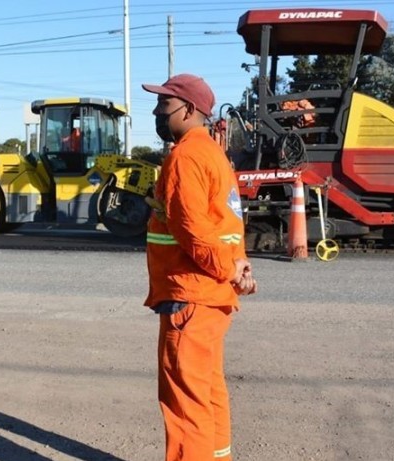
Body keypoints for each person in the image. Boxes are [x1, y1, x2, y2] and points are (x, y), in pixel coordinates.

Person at [142, 73, 257, 461]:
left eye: (163, 104)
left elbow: (192, 230)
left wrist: (228, 269)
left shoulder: (185, 156)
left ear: (189, 109)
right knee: (207, 394)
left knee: (185, 408)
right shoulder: (213, 154)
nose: (157, 112)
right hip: (211, 298)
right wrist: (237, 269)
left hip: (188, 297)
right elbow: (227, 222)